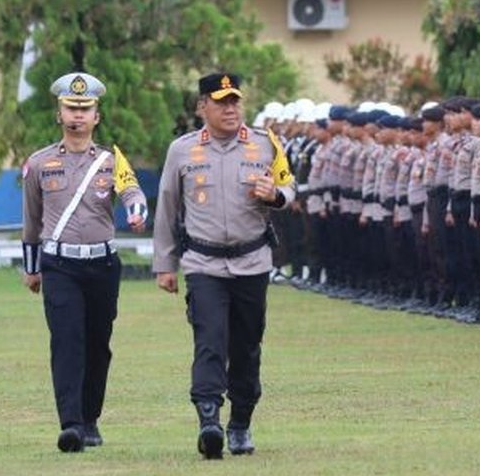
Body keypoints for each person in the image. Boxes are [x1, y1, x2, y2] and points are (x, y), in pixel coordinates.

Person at [151, 73, 295, 459]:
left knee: (247, 347)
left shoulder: (266, 144)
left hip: (252, 262)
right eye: (221, 102)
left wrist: (276, 195)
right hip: (203, 263)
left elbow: (290, 186)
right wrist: (165, 263)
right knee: (209, 341)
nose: (230, 109)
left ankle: (241, 423)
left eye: (235, 101)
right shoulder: (181, 151)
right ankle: (209, 420)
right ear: (202, 107)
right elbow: (167, 208)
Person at [21, 72, 147, 452]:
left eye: (85, 109)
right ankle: (71, 424)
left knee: (98, 343)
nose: (77, 115)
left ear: (97, 115)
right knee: (67, 341)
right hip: (60, 266)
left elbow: (132, 191)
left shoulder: (111, 161)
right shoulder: (40, 163)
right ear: (59, 113)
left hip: (102, 265)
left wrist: (138, 211)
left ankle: (90, 417)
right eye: (70, 108)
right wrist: (32, 267)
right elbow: (31, 220)